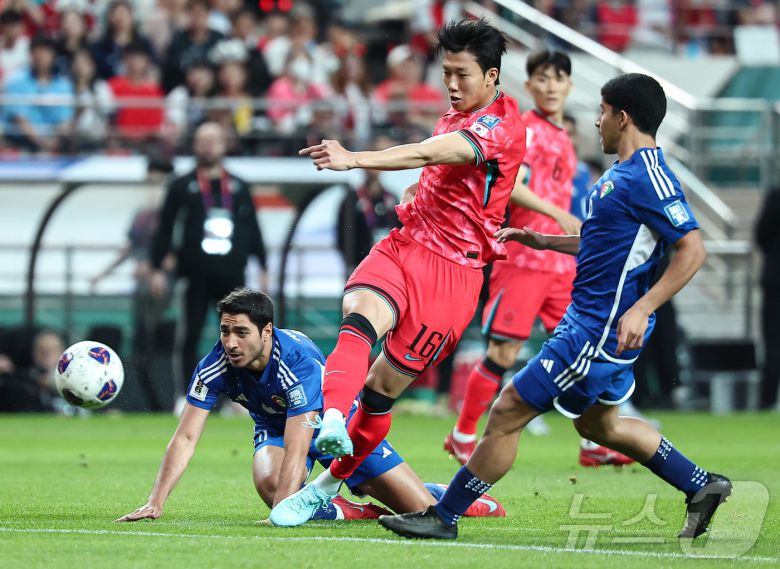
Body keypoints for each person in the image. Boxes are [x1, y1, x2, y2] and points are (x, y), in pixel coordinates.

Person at [378, 73, 732, 540]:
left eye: (603, 113)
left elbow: (692, 249)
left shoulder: (648, 175)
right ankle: (701, 485)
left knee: (508, 412)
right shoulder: (622, 174)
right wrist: (543, 240)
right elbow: (607, 241)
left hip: (596, 329)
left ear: (622, 117)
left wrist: (643, 307)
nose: (597, 121)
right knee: (602, 425)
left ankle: (443, 517)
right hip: (595, 323)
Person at [269, 18, 526, 527]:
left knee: (382, 391)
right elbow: (440, 171)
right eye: (446, 72)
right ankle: (334, 420)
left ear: (493, 76)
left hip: (454, 276)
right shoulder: (455, 114)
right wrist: (421, 193)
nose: (451, 85)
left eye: (462, 74)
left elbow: (431, 153)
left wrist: (354, 159)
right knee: (358, 317)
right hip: (406, 244)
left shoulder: (500, 126)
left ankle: (325, 486)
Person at [116, 288, 504, 522]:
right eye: (224, 331)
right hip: (275, 428)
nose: (230, 342)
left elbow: (302, 438)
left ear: (266, 332)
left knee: (420, 511)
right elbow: (185, 437)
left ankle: (444, 494)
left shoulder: (295, 359)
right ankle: (352, 511)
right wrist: (155, 502)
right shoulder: (214, 365)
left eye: (241, 332)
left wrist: (285, 510)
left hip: (340, 426)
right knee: (270, 484)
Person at [444, 50, 583, 464]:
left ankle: (595, 440)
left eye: (559, 78)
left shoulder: (562, 135)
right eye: (543, 78)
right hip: (523, 255)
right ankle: (463, 433)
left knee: (579, 347)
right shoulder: (529, 131)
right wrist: (558, 213)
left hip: (560, 263)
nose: (551, 86)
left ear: (570, 86)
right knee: (503, 353)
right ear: (530, 85)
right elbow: (512, 186)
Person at [149, 122, 268, 410]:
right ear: (194, 146)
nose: (209, 146)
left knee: (239, 336)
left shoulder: (238, 186)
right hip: (194, 273)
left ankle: (238, 400)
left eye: (214, 140)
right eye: (203, 140)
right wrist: (156, 267)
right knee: (189, 335)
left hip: (232, 274)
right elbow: (165, 228)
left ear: (224, 145)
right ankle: (185, 397)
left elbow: (252, 227)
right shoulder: (181, 185)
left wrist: (263, 265)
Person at [755, 186, 780, 410]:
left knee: (773, 342)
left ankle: (767, 399)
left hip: (775, 280)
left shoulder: (775, 195)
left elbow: (761, 234)